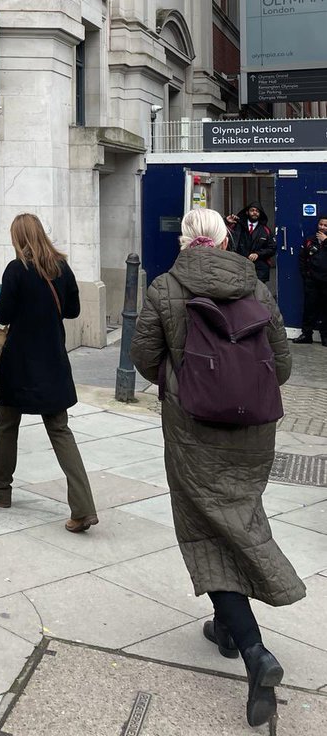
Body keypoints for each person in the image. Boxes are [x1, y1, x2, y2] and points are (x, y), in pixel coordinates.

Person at [132, 208, 303, 730]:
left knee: (206, 530)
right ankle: (225, 629)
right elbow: (285, 365)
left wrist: (185, 376)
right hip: (254, 428)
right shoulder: (257, 287)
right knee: (238, 515)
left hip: (192, 428)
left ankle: (255, 653)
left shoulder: (165, 287)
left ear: (186, 240)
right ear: (226, 238)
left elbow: (143, 356)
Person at [0, 214, 96, 532]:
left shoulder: (17, 270)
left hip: (19, 360)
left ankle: (0, 489)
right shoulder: (62, 267)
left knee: (7, 425)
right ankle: (83, 507)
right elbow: (72, 310)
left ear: (19, 238)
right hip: (53, 358)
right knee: (60, 430)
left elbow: (3, 315)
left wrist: (5, 295)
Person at [226, 201, 277, 285]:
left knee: (258, 295)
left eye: (257, 211)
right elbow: (224, 237)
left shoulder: (265, 230)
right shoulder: (237, 226)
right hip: (239, 267)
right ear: (247, 212)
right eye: (252, 210)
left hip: (259, 270)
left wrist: (258, 254)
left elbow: (272, 248)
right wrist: (227, 221)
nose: (254, 213)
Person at [295, 213, 327, 344]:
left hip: (326, 282)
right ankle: (306, 335)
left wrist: (326, 241)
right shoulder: (309, 240)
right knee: (309, 309)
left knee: (326, 310)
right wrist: (306, 274)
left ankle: (325, 336)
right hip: (312, 281)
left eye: (326, 225)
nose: (322, 227)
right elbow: (302, 258)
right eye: (321, 224)